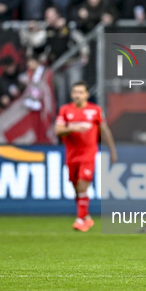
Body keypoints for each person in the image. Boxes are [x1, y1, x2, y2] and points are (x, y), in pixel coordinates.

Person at [55, 81, 117, 232]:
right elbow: (58, 131)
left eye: (81, 92)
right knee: (76, 187)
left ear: (86, 94)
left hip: (88, 153)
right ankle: (86, 216)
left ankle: (79, 220)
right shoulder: (65, 110)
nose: (77, 95)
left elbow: (105, 130)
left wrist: (112, 150)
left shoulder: (95, 110)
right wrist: (73, 127)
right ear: (71, 94)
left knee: (83, 185)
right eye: (75, 92)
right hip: (71, 154)